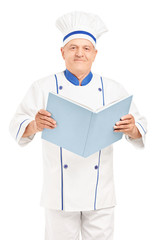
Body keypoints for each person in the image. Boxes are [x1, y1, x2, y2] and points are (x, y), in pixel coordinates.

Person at [9, 11, 147, 240]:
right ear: (62, 52)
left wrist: (131, 128)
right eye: (73, 48)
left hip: (100, 191)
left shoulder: (113, 88)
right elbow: (16, 123)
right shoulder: (43, 86)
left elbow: (140, 127)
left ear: (94, 54)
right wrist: (34, 125)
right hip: (59, 192)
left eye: (85, 48)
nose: (79, 53)